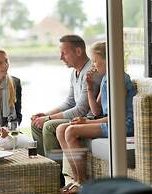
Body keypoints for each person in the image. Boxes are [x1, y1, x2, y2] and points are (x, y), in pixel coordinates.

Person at [56, 41, 136, 193]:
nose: (92, 64)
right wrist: (90, 87)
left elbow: (117, 116)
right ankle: (75, 179)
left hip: (123, 124)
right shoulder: (107, 78)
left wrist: (85, 121)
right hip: (110, 121)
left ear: (108, 59)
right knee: (61, 129)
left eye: (94, 60)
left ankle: (82, 182)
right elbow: (97, 109)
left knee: (71, 131)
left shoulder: (119, 79)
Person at [30, 35, 102, 187]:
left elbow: (81, 110)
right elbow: (69, 102)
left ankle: (56, 181)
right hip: (77, 117)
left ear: (78, 51)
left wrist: (48, 119)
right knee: (36, 124)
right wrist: (45, 114)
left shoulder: (91, 72)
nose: (61, 57)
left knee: (49, 126)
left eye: (64, 53)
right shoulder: (74, 73)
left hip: (86, 119)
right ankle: (46, 172)